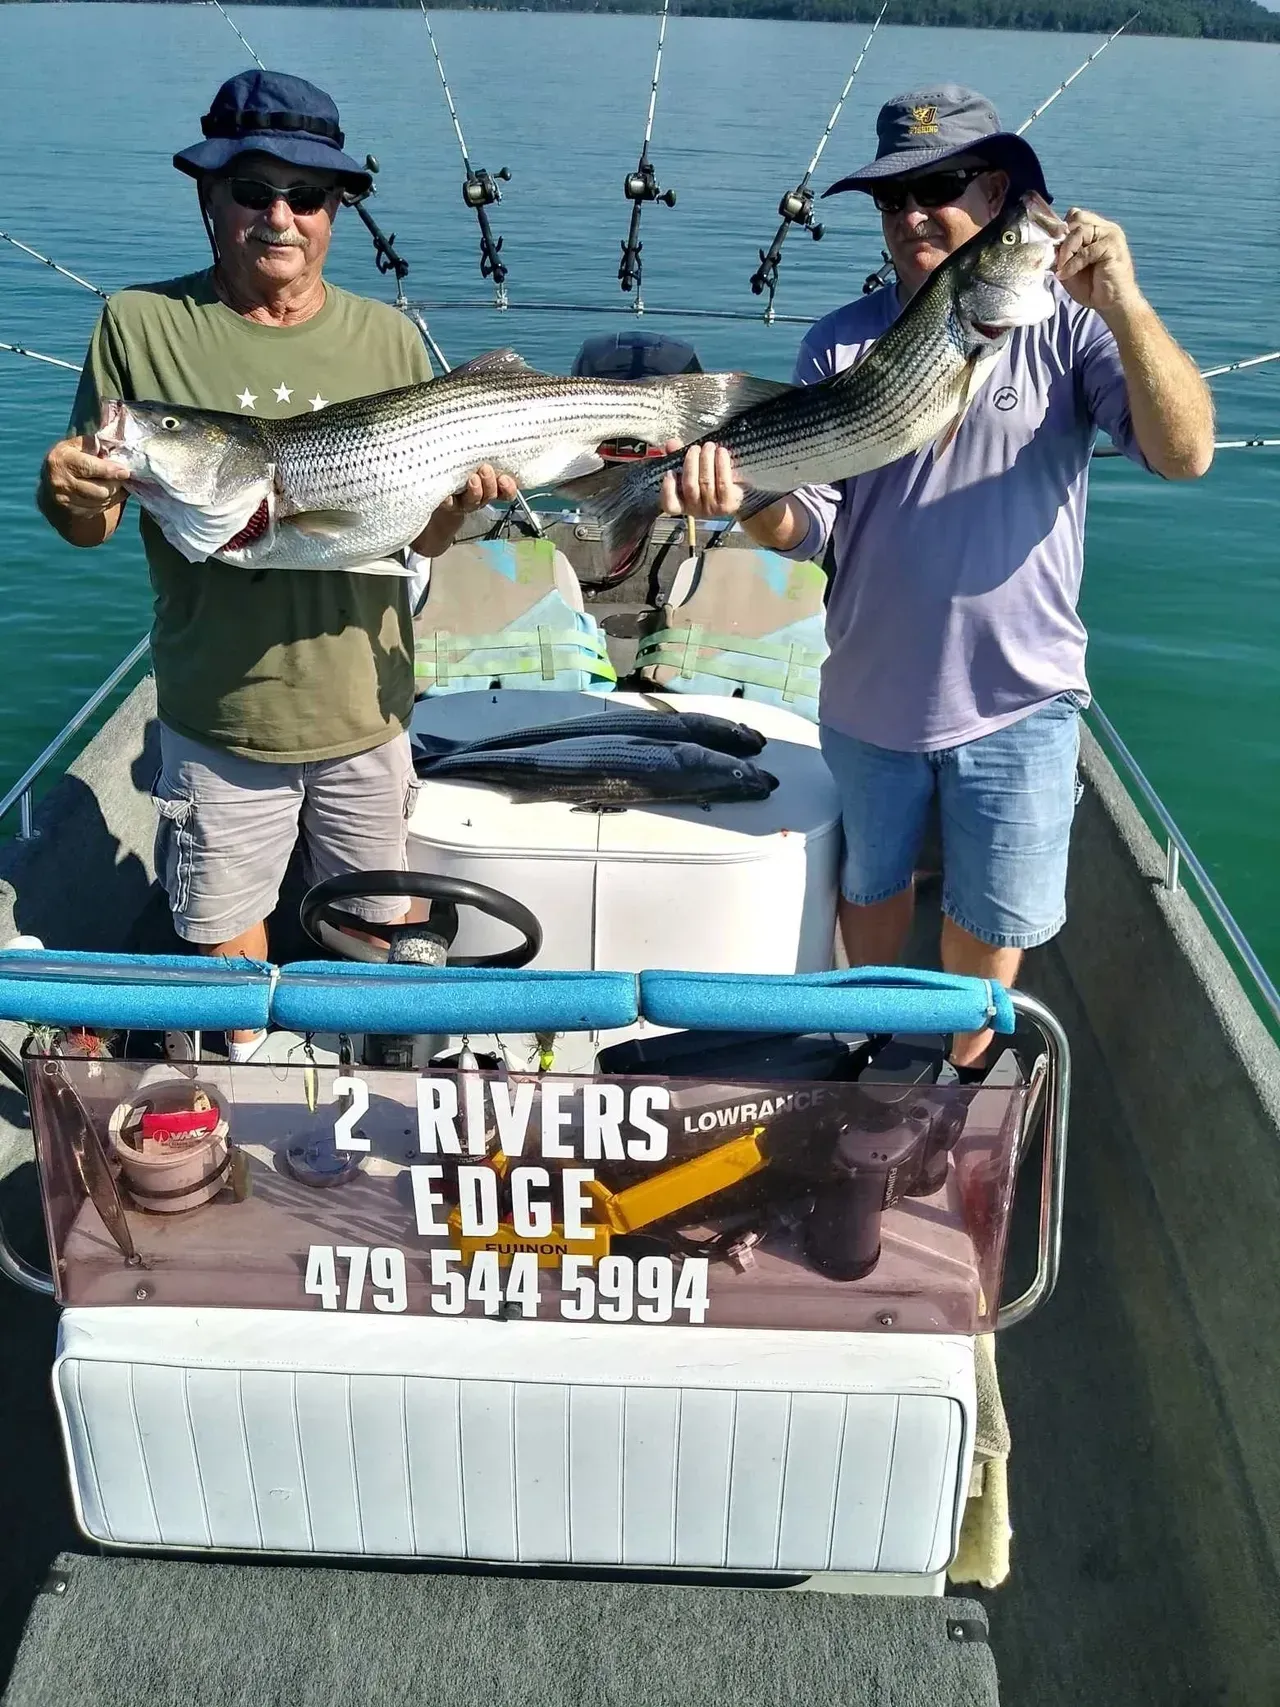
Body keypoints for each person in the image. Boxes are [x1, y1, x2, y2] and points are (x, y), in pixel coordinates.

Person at [664, 84, 1214, 1073]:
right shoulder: (836, 339)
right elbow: (810, 526)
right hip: (869, 689)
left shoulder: (1072, 327)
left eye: (940, 188)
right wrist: (738, 497)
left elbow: (1184, 456)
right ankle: (873, 1056)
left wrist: (1125, 302)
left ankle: (954, 1084)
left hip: (1019, 696)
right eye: (889, 198)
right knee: (872, 891)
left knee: (985, 917)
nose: (912, 214)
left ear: (999, 194)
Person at [36, 70, 518, 1060]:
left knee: (376, 936)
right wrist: (65, 497)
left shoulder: (387, 335)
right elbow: (90, 519)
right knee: (222, 954)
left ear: (337, 209)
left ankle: (367, 1100)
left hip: (365, 707)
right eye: (253, 189)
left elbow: (412, 541)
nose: (280, 215)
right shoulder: (140, 326)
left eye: (309, 195)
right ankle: (243, 1102)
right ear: (208, 197)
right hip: (222, 714)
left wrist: (457, 513)